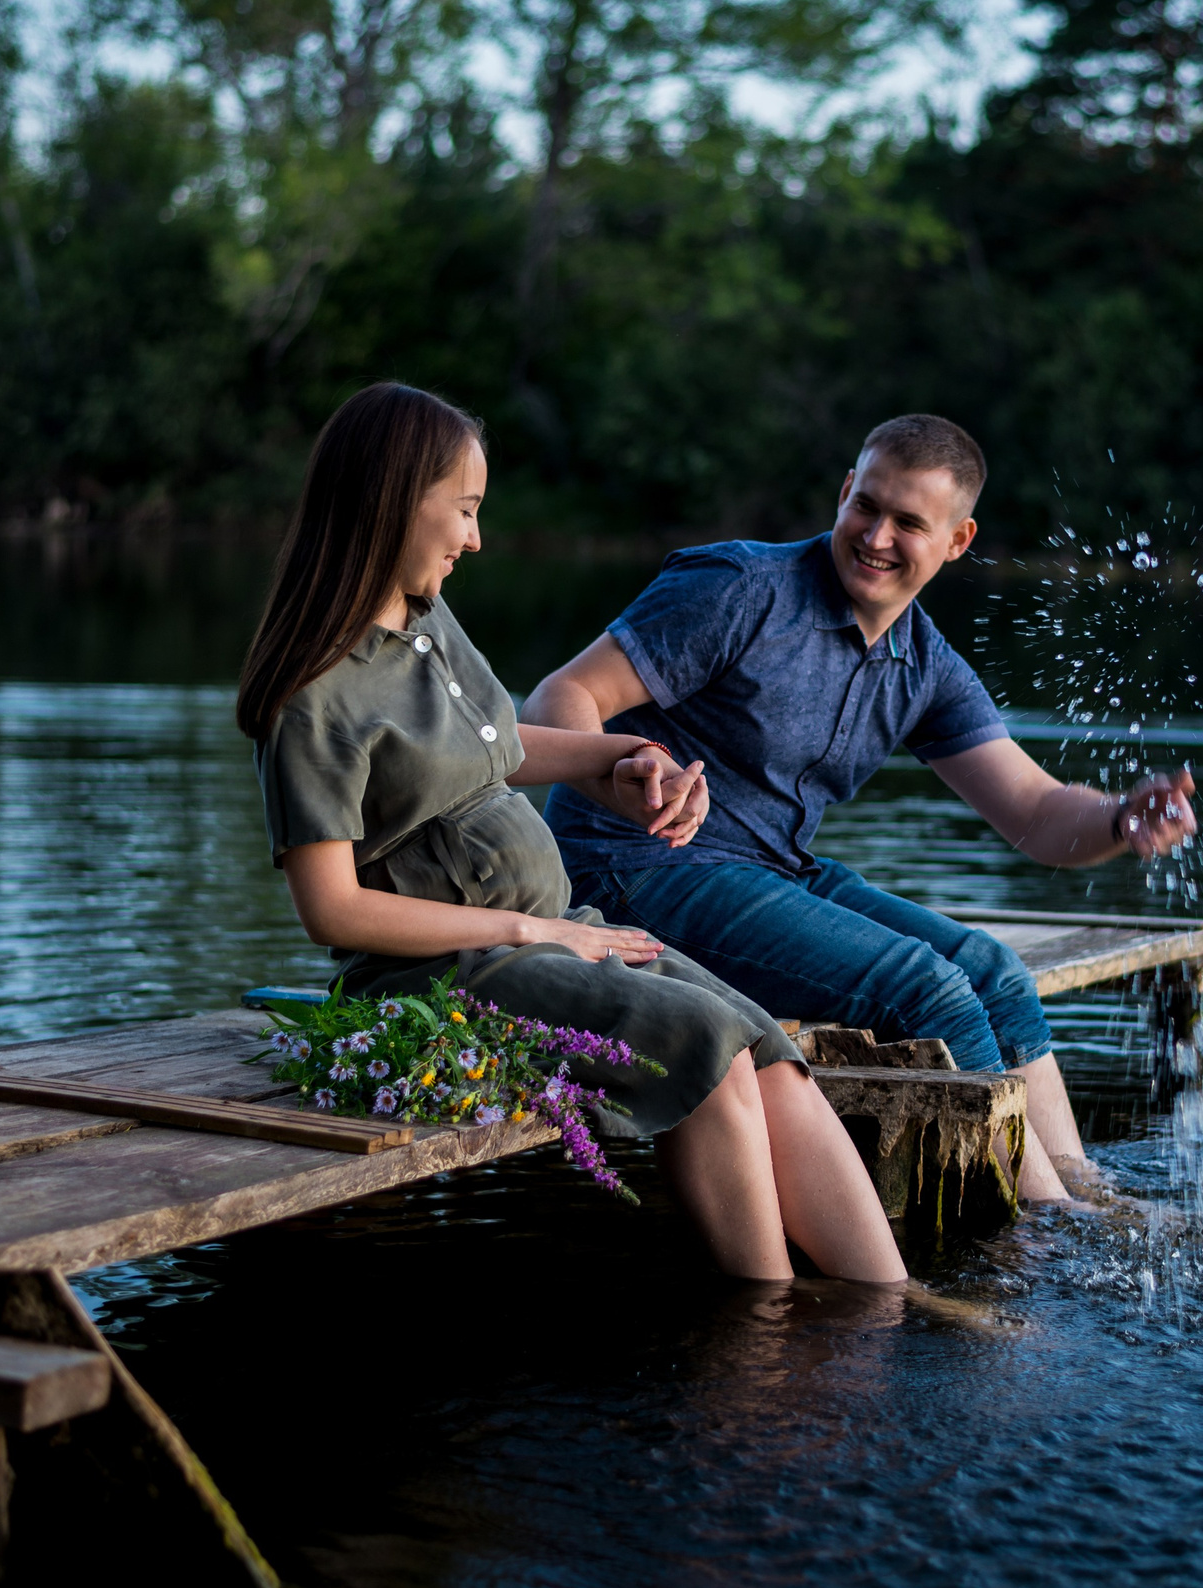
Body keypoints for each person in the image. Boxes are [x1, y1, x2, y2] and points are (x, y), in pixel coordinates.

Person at [239, 381, 904, 1285]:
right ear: (394, 503)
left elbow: (500, 749)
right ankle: (768, 1338)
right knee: (702, 1049)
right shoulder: (315, 695)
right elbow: (333, 911)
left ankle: (888, 1303)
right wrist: (532, 929)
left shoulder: (428, 620)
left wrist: (621, 754)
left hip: (561, 936)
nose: (476, 537)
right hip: (450, 972)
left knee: (761, 1044)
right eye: (464, 509)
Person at [526, 414, 1195, 1205]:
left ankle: (1088, 1194)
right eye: (866, 505)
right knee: (929, 991)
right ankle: (1049, 1228)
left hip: (769, 868)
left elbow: (1036, 813)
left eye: (909, 522)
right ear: (844, 491)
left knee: (995, 975)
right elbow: (562, 695)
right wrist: (625, 779)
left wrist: (1122, 817)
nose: (876, 535)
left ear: (957, 539)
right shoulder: (741, 589)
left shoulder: (924, 663)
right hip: (632, 867)